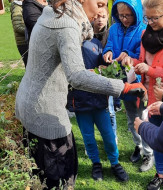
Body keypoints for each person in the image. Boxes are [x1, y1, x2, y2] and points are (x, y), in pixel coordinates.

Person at [15, 0, 147, 189]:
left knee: (39, 179)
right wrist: (123, 87)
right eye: (100, 4)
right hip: (46, 114)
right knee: (61, 180)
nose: (102, 11)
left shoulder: (52, 12)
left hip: (30, 106)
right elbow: (77, 76)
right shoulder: (66, 24)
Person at [123, 0, 163, 189]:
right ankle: (160, 174)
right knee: (157, 139)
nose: (149, 22)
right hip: (150, 98)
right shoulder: (145, 35)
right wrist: (130, 61)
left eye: (154, 18)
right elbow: (142, 62)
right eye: (147, 18)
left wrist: (152, 70)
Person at [67, 37, 128, 182]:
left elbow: (105, 66)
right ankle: (96, 164)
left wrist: (108, 66)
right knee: (88, 137)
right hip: (80, 102)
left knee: (109, 135)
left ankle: (115, 163)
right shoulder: (68, 42)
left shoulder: (94, 42)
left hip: (100, 101)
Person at [103, 0, 154, 171]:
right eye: (120, 15)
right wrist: (108, 52)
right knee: (132, 118)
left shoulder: (143, 31)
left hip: (138, 83)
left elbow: (143, 54)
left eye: (128, 15)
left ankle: (148, 153)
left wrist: (129, 55)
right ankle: (138, 146)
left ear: (137, 12)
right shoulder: (114, 29)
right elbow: (109, 44)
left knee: (143, 118)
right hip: (121, 82)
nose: (124, 19)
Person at [93, 6, 118, 142]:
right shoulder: (87, 32)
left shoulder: (110, 33)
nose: (100, 20)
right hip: (91, 74)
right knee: (93, 108)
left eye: (103, 17)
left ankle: (113, 137)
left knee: (110, 109)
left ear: (108, 17)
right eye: (97, 16)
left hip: (106, 74)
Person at [10, 0, 28, 67]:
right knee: (29, 67)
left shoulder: (22, 6)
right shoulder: (17, 8)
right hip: (23, 42)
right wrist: (32, 31)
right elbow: (17, 27)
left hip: (26, 41)